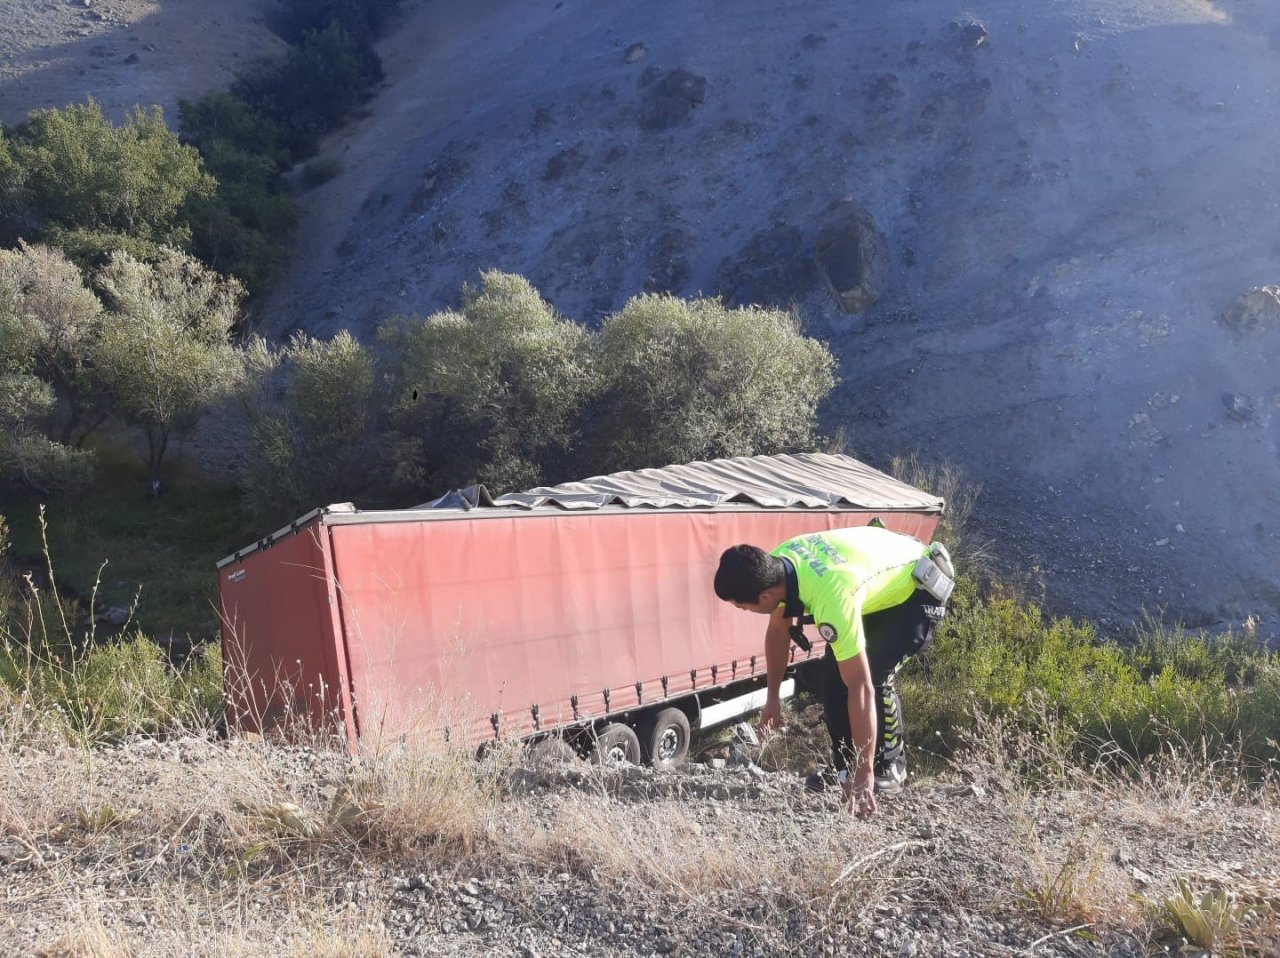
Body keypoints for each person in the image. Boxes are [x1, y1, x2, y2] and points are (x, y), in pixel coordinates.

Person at [714, 525, 951, 819]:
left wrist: (866, 773)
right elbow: (778, 629)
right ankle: (844, 769)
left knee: (873, 676)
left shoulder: (831, 599)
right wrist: (772, 697)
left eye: (742, 607)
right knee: (832, 678)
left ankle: (887, 768)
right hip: (871, 586)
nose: (743, 611)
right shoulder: (777, 563)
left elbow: (861, 687)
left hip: (917, 588)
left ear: (764, 596)